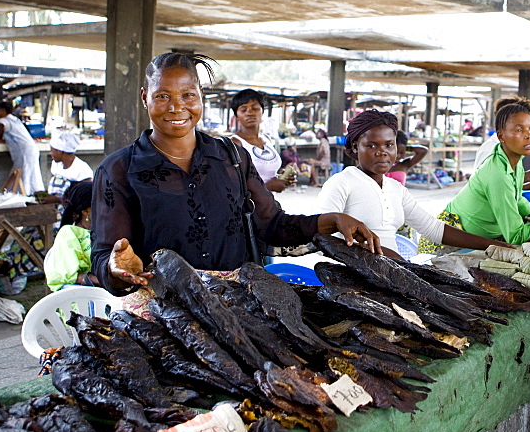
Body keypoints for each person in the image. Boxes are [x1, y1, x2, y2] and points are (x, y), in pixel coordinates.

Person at [91, 52, 380, 293]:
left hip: (236, 306)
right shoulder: (119, 170)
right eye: (163, 96)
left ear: (201, 95)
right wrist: (115, 269)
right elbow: (106, 255)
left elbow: (273, 225)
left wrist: (333, 219)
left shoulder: (232, 159)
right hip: (164, 315)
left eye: (187, 94)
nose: (177, 107)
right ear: (145, 97)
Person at [318, 110, 506, 258]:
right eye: (371, 145)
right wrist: (389, 260)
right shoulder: (341, 183)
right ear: (354, 147)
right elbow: (321, 237)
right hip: (350, 279)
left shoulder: (395, 189)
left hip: (391, 274)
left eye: (389, 145)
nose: (382, 152)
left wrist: (496, 245)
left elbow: (433, 229)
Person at [419, 99, 530, 253]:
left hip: (474, 240)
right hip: (446, 245)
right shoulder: (498, 175)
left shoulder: (513, 161)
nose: (529, 136)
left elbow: (516, 198)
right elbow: (515, 235)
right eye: (519, 130)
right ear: (501, 136)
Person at [474, 97, 530, 188]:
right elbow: (488, 183)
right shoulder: (491, 149)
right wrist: (527, 176)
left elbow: (512, 188)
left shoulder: (513, 150)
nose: (529, 135)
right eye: (519, 129)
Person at [231, 88, 292, 193]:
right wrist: (268, 186)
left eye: (254, 108)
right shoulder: (234, 143)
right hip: (248, 208)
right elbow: (232, 185)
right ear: (236, 116)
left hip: (269, 206)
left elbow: (265, 174)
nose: (249, 113)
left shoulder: (267, 139)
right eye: (243, 110)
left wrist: (281, 177)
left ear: (262, 111)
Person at [44, 181, 97, 291]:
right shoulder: (69, 234)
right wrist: (108, 282)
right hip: (82, 296)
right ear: (86, 211)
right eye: (101, 204)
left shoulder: (106, 231)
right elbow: (69, 276)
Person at [0, 101, 44, 195]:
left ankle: (24, 195)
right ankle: (33, 193)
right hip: (31, 148)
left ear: (3, 110)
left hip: (23, 151)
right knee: (32, 173)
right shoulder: (15, 119)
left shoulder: (3, 121)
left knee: (23, 174)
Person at [44, 130, 93, 205]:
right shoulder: (56, 164)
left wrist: (59, 199)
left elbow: (86, 197)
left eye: (52, 150)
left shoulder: (82, 169)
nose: (50, 153)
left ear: (60, 151)